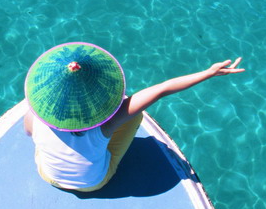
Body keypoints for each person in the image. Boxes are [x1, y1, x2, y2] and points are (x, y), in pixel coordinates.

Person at [23, 42, 244, 192]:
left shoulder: (35, 115)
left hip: (48, 176)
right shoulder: (107, 125)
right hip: (94, 183)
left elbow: (27, 131)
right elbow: (162, 89)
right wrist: (208, 73)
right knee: (134, 114)